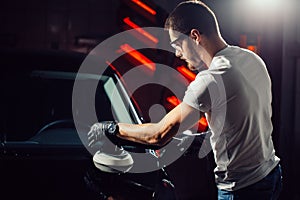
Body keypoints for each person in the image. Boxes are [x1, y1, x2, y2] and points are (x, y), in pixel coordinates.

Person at [87, 1, 282, 199]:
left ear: (195, 36)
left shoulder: (211, 79)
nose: (178, 54)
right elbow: (244, 118)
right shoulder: (251, 59)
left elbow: (158, 135)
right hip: (270, 174)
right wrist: (200, 138)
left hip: (241, 188)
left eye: (177, 45)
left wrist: (111, 129)